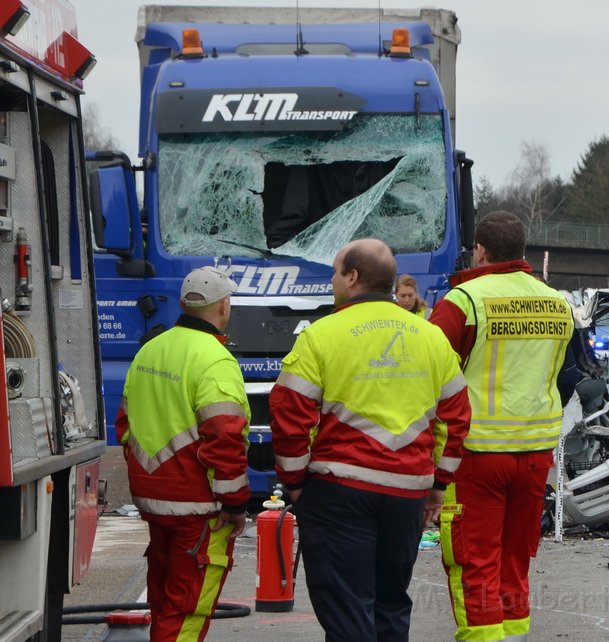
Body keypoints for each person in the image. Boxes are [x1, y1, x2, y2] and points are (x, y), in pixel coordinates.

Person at [269, 238, 471, 641]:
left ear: (353, 277)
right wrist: (437, 485)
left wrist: (295, 486)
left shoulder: (320, 336)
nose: (331, 280)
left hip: (338, 490)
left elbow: (289, 416)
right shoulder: (431, 337)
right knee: (391, 604)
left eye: (335, 272)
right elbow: (456, 419)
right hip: (406, 494)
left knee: (347, 611)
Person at [429, 211, 576, 641]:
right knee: (515, 559)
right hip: (535, 454)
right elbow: (565, 375)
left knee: (474, 561)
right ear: (523, 250)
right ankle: (514, 636)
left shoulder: (464, 301)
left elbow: (430, 373)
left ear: (480, 250)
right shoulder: (556, 302)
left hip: (476, 456)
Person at [116, 266, 250, 642]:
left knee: (163, 604)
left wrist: (147, 477)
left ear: (182, 304)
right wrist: (235, 504)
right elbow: (225, 436)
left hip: (154, 501)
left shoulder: (150, 350)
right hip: (198, 509)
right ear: (224, 306)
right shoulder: (214, 360)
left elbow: (125, 424)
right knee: (187, 611)